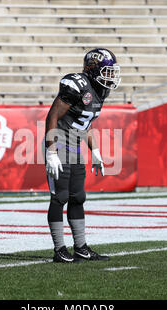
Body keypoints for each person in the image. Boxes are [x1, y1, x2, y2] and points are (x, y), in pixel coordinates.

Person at [44, 48, 121, 263]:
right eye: (107, 71)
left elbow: (84, 125)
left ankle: (80, 247)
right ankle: (60, 250)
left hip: (76, 146)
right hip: (59, 143)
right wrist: (51, 152)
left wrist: (95, 151)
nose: (111, 76)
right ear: (93, 69)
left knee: (78, 197)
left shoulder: (99, 90)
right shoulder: (77, 85)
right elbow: (52, 116)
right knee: (59, 197)